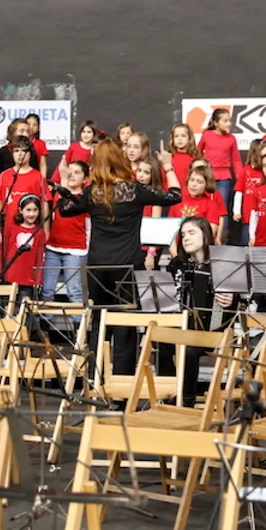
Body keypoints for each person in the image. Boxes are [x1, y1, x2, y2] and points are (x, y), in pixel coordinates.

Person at [56, 140, 181, 376]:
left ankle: (96, 380)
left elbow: (65, 209)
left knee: (99, 324)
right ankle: (123, 384)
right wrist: (168, 166)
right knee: (125, 327)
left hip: (98, 268)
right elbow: (175, 196)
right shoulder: (134, 190)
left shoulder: (92, 193)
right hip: (127, 266)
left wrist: (64, 181)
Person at [167, 217, 238, 406]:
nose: (186, 238)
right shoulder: (178, 266)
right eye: (183, 234)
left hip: (213, 330)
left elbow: (238, 304)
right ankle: (170, 393)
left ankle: (186, 401)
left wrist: (232, 298)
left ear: (205, 235)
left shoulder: (221, 265)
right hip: (182, 329)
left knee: (189, 349)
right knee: (162, 341)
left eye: (192, 233)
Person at [41, 162, 89, 306]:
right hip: (53, 248)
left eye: (77, 172)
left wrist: (86, 250)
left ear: (85, 179)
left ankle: (78, 320)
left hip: (75, 251)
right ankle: (44, 320)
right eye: (70, 171)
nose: (71, 175)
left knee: (74, 291)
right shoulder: (58, 194)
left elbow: (89, 227)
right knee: (47, 291)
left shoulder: (84, 198)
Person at [197, 109, 243, 239]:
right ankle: (203, 235)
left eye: (230, 121)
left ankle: (222, 238)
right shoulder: (207, 135)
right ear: (216, 123)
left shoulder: (231, 138)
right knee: (204, 204)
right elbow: (197, 152)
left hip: (224, 178)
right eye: (225, 121)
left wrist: (240, 177)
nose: (229, 123)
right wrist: (199, 170)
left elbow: (236, 160)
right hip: (207, 176)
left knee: (221, 207)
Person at [3, 195, 46, 301]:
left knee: (25, 306)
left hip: (28, 278)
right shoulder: (12, 228)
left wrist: (38, 280)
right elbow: (5, 251)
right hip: (11, 276)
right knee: (8, 305)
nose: (32, 214)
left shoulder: (39, 232)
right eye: (28, 210)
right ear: (20, 210)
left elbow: (40, 258)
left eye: (35, 210)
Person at [232, 140, 266, 247]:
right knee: (246, 241)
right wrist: (236, 211)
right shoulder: (246, 171)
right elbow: (239, 192)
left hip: (264, 216)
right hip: (248, 216)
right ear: (258, 151)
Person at [170, 167, 224, 243]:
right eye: (192, 180)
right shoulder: (178, 200)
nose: (194, 184)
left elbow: (210, 233)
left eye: (199, 182)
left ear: (207, 185)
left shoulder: (211, 205)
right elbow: (170, 229)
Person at [167, 123, 199, 193]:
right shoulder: (168, 158)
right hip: (171, 195)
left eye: (183, 136)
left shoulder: (194, 159)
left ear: (189, 138)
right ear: (172, 139)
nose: (180, 139)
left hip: (188, 195)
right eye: (176, 136)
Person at [25, 113, 49, 179]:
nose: (31, 127)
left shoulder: (41, 144)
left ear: (38, 128)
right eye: (29, 124)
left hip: (35, 177)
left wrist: (43, 180)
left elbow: (42, 165)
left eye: (35, 125)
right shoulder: (19, 142)